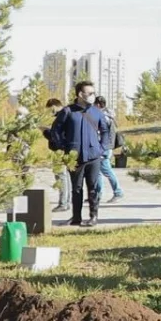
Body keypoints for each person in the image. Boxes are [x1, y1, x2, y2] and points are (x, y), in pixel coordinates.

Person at [48, 81, 113, 228]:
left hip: (93, 157)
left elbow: (105, 131)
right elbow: (55, 130)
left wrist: (102, 148)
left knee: (93, 187)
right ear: (80, 94)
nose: (92, 96)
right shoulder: (68, 111)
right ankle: (76, 217)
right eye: (89, 93)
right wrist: (63, 146)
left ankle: (93, 217)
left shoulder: (97, 112)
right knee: (76, 189)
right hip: (75, 158)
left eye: (93, 93)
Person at [42, 98, 72, 212]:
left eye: (50, 109)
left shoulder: (62, 116)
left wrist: (45, 131)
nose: (50, 112)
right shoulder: (67, 114)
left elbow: (56, 136)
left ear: (53, 106)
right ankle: (66, 202)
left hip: (59, 151)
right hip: (65, 149)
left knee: (61, 177)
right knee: (66, 177)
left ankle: (63, 203)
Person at [93, 96, 125, 204]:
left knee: (107, 171)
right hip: (104, 148)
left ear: (97, 105)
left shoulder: (103, 117)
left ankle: (118, 192)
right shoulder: (108, 116)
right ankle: (97, 194)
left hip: (103, 148)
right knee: (98, 172)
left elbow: (103, 135)